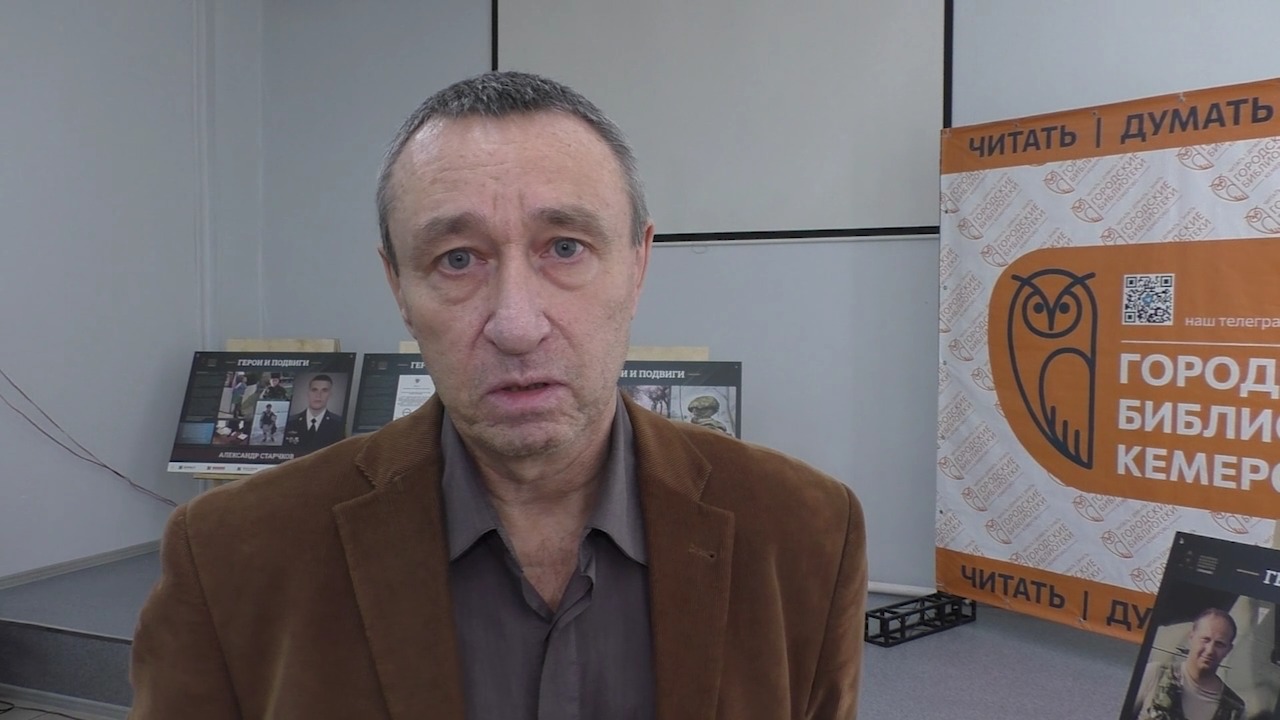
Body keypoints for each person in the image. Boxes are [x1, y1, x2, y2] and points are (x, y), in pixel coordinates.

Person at [129, 71, 867, 719]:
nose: (516, 325)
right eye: (458, 259)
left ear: (639, 264)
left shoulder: (805, 534)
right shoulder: (230, 556)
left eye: (566, 248)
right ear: (398, 287)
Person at [1129, 608, 1246, 720]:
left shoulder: (1234, 709)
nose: (1210, 650)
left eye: (1219, 644)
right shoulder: (1155, 675)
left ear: (1228, 650)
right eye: (1205, 639)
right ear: (1191, 637)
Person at [284, 374, 345, 449]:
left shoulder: (339, 424)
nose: (318, 395)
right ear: (308, 393)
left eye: (324, 390)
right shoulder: (290, 422)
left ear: (330, 394)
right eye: (314, 390)